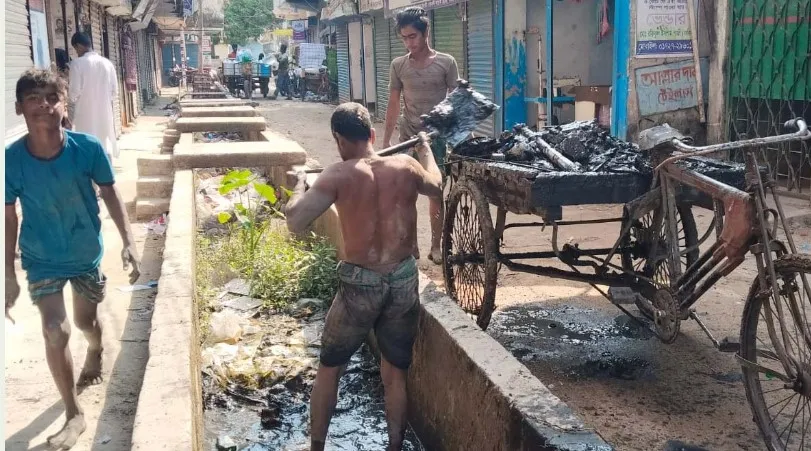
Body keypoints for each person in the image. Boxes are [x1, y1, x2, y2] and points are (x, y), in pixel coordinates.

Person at [284, 103, 442, 451]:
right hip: (402, 279)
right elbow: (436, 184)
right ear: (371, 134)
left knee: (330, 368)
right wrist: (425, 150)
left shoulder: (336, 176)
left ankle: (316, 447)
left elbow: (295, 221)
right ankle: (395, 446)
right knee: (395, 373)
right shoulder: (406, 166)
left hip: (360, 285)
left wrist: (298, 185)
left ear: (338, 140)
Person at [5, 69, 141, 449]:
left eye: (52, 97)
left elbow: (110, 193)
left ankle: (95, 347)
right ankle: (73, 413)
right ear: (19, 107)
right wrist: (8, 273)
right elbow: (9, 215)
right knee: (55, 329)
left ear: (64, 104)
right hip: (41, 257)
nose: (44, 105)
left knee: (85, 322)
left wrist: (129, 242)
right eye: (34, 99)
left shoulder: (87, 148)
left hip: (83, 252)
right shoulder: (11, 160)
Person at [383, 7, 459, 265]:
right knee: (406, 195)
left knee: (435, 193)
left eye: (413, 36)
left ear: (426, 32)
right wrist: (386, 141)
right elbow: (394, 103)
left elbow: (456, 101)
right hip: (409, 137)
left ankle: (436, 246)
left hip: (436, 139)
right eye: (404, 38)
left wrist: (458, 135)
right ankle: (412, 246)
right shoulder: (398, 65)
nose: (409, 43)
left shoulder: (446, 63)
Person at [67, 32, 120, 162]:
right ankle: (106, 171)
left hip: (84, 115)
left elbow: (73, 93)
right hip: (105, 114)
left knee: (86, 146)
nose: (76, 52)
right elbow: (114, 91)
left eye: (75, 49)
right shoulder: (107, 63)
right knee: (104, 144)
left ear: (79, 46)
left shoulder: (77, 64)